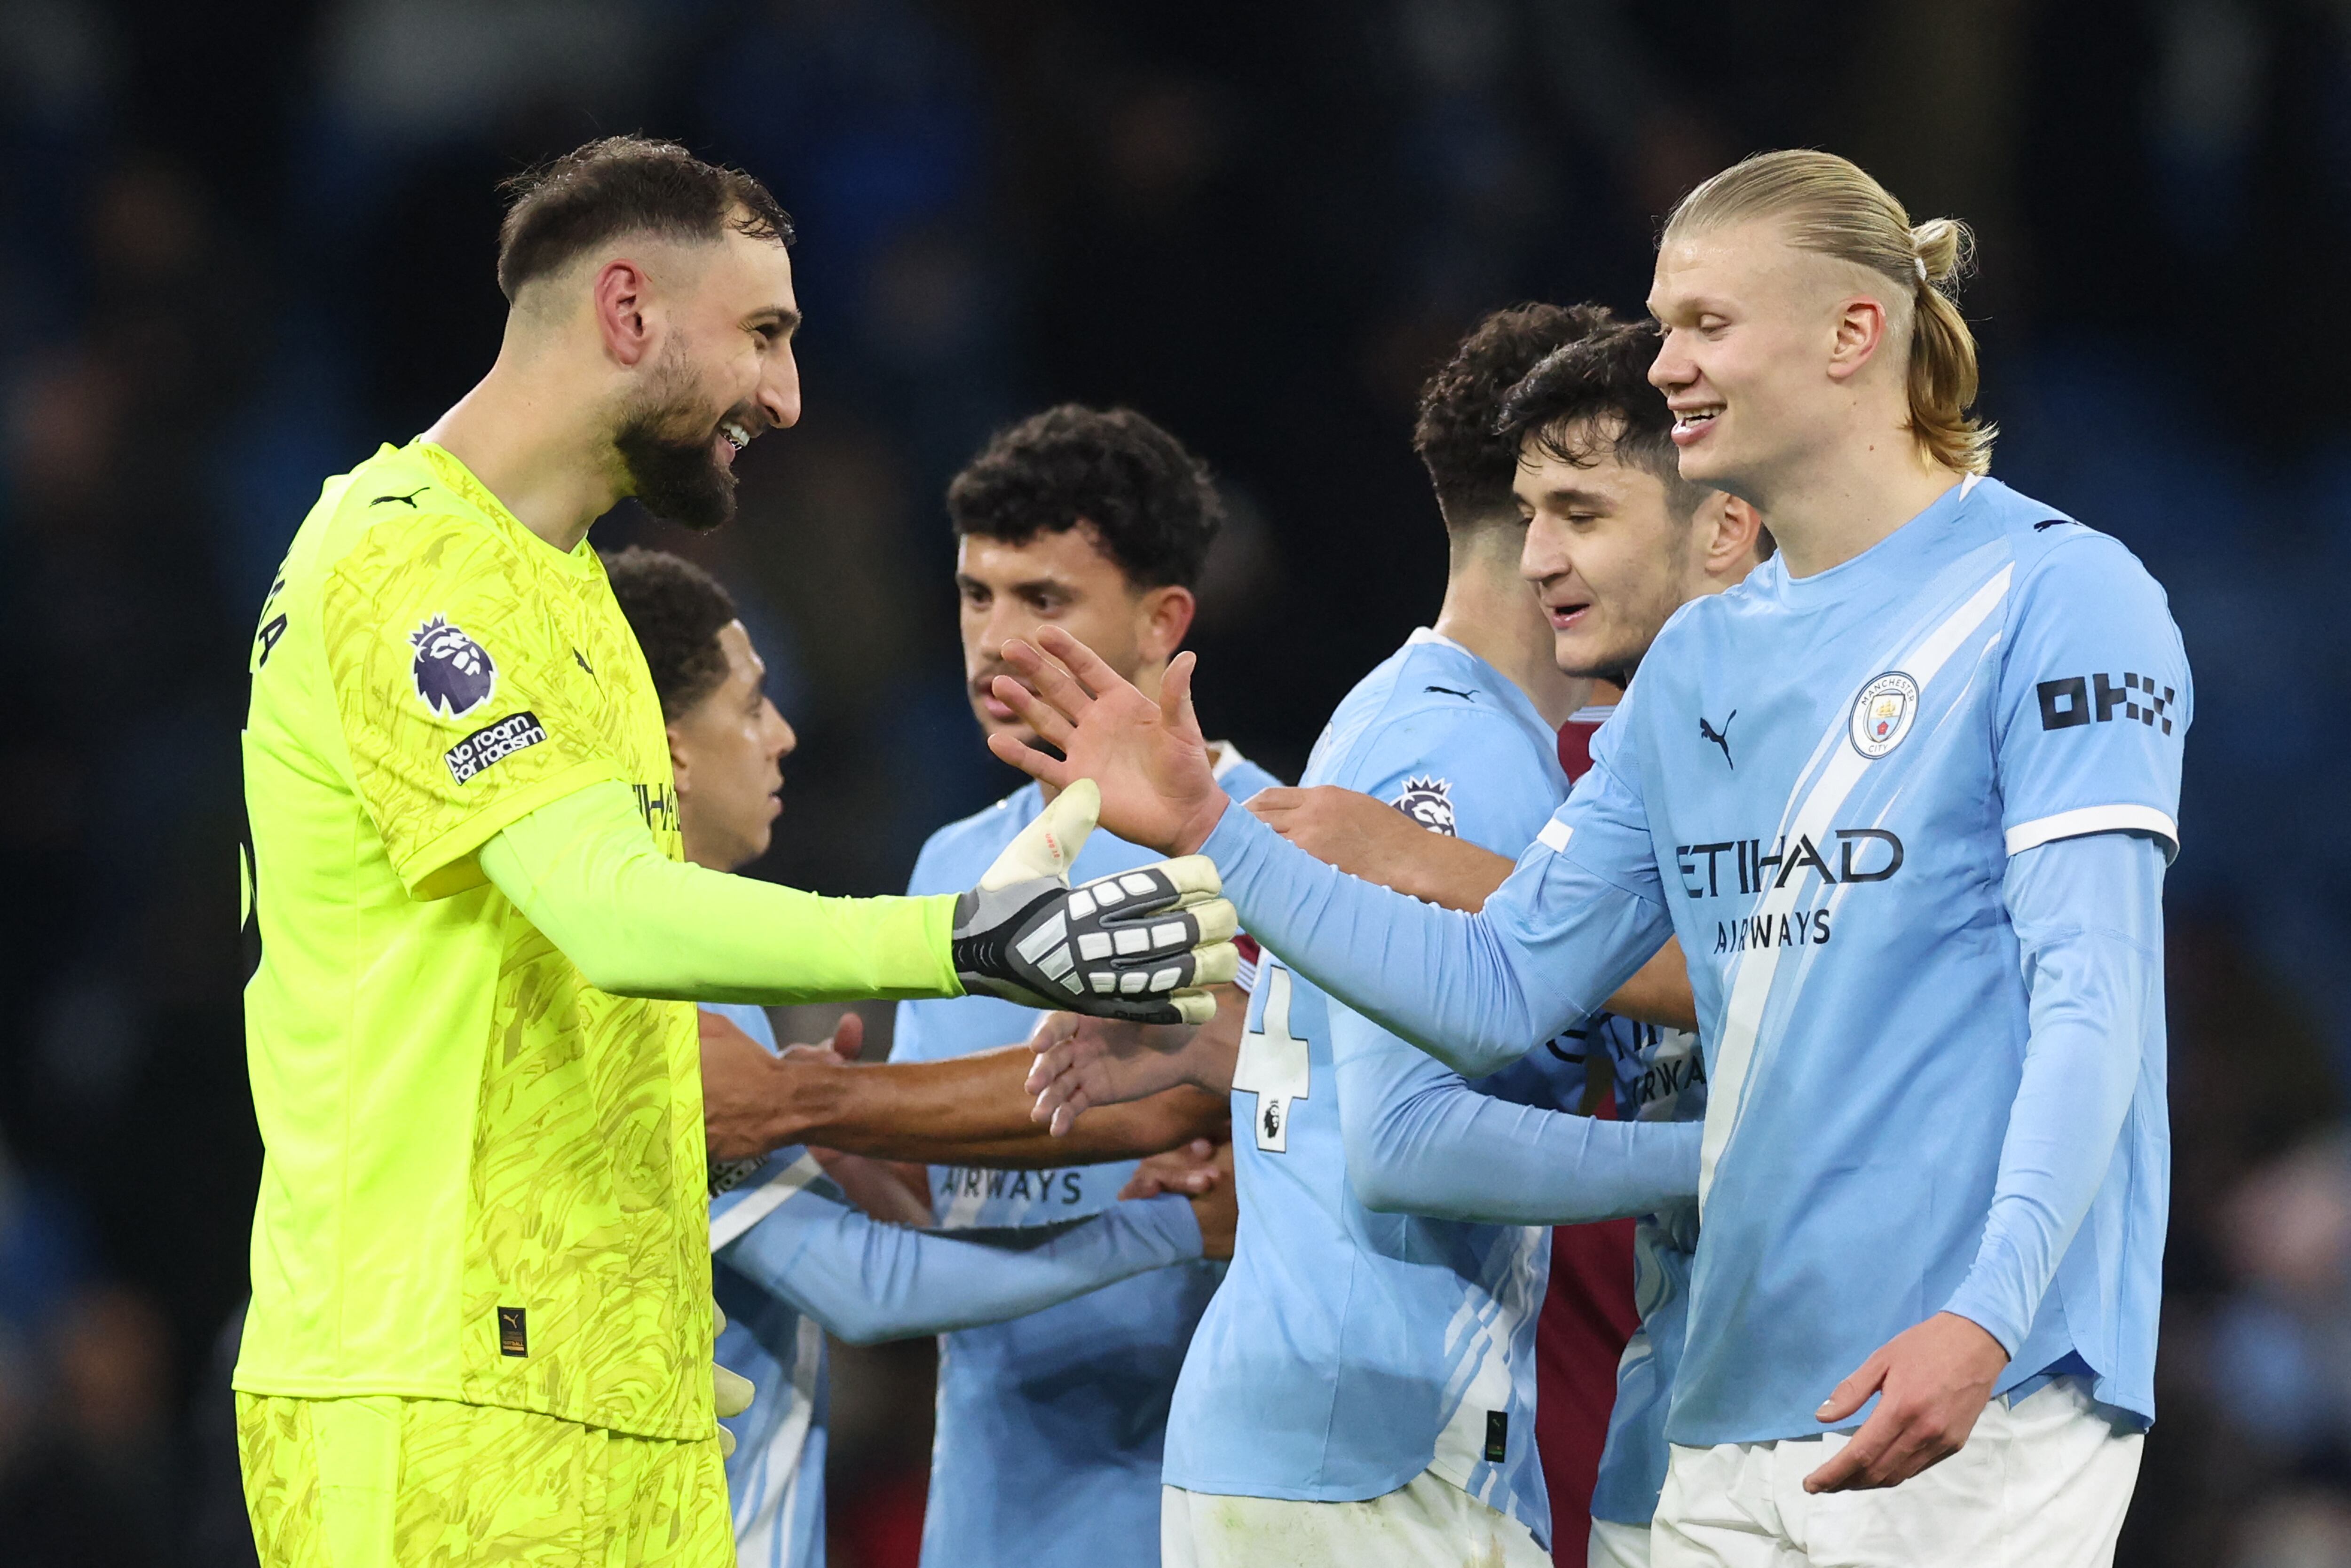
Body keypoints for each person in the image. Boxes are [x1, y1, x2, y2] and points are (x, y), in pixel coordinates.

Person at [992, 149, 2187, 1568]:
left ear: (1853, 334)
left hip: (1975, 1385)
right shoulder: (1701, 663)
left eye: (1704, 322)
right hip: (1719, 1405)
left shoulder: (2058, 596)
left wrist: (1987, 1315)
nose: (1666, 362)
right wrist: (1210, 832)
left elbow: (2094, 998)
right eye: (1665, 320)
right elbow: (1499, 986)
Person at [234, 135, 1233, 1566]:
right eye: (763, 334)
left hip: (608, 1384)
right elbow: (613, 917)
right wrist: (957, 940)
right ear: (629, 311)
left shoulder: (565, 587)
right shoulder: (406, 561)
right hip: (439, 1381)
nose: (787, 394)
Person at [1031, 305, 1711, 1567]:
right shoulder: (1456, 755)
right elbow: (1404, 1141)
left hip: (1347, 1438)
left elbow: (1352, 1080)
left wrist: (1224, 1052)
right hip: (1369, 1442)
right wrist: (1715, 1162)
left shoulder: (1420, 729)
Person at [1231, 310, 1767, 1567]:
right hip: (1580, 1440)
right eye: (1532, 516)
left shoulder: (1822, 741)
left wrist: (1422, 868)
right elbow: (1432, 1077)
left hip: (1832, 1409)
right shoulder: (1543, 755)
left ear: (1721, 523)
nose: (1543, 559)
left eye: (1579, 514)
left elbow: (1811, 976)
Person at [603, 545, 1238, 1568]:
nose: (783, 736)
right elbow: (868, 1291)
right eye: (752, 706)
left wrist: (850, 1136)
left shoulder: (643, 971)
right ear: (670, 748)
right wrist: (1177, 1227)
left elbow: (786, 1253)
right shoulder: (667, 988)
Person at [886, 405, 1279, 1568]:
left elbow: (1334, 1140)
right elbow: (934, 1184)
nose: (995, 642)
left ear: (1164, 624)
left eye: (1043, 602)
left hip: (1202, 1503)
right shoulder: (948, 864)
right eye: (976, 595)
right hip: (986, 1506)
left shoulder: (1270, 845)